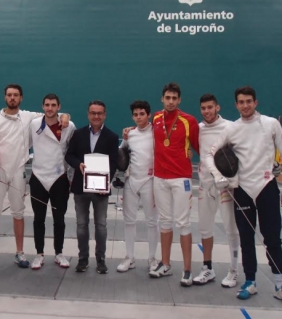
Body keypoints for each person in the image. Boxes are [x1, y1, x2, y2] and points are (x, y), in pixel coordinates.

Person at [206, 86, 282, 307]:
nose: (245, 105)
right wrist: (218, 175)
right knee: (246, 239)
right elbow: (210, 154)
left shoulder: (270, 124)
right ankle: (250, 281)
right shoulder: (233, 129)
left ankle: (280, 284)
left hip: (266, 187)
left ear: (255, 103)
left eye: (249, 101)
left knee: (272, 238)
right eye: (241, 102)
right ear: (236, 105)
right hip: (242, 191)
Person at [0, 84, 69, 269]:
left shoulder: (29, 117)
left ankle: (20, 253)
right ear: (5, 97)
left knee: (18, 212)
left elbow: (52, 115)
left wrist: (65, 116)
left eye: (15, 95)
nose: (12, 98)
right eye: (9, 95)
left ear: (21, 98)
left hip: (18, 170)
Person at [148, 82, 199, 286]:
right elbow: (145, 133)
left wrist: (191, 153)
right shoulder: (156, 118)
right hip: (160, 177)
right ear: (162, 99)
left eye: (174, 98)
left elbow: (199, 146)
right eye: (167, 98)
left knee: (183, 223)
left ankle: (187, 269)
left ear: (179, 100)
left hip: (181, 179)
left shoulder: (189, 121)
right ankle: (165, 264)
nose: (170, 101)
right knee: (165, 221)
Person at [65, 100, 119, 274]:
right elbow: (69, 155)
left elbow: (113, 163)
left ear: (104, 115)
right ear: (88, 114)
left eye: (99, 113)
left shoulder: (111, 137)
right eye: (93, 113)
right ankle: (83, 258)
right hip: (81, 188)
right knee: (81, 225)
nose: (96, 116)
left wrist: (107, 181)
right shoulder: (78, 134)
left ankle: (101, 259)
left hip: (101, 189)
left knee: (101, 225)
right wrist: (78, 164)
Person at [192, 94, 239, 287]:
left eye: (210, 107)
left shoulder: (230, 127)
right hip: (205, 185)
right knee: (205, 228)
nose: (207, 111)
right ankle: (207, 269)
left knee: (231, 229)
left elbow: (239, 155)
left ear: (217, 107)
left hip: (226, 187)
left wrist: (232, 180)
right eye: (203, 108)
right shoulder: (198, 129)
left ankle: (234, 271)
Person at [29, 94, 76, 270]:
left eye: (53, 105)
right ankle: (39, 253)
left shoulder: (68, 125)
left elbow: (73, 150)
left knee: (59, 219)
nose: (50, 108)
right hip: (38, 177)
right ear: (42, 107)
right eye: (47, 105)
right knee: (38, 218)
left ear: (59, 106)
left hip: (59, 178)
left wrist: (66, 116)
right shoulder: (34, 124)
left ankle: (59, 253)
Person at [116, 101, 159, 273]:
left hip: (150, 181)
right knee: (129, 221)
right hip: (131, 182)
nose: (139, 117)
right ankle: (129, 257)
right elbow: (121, 154)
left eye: (142, 114)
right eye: (135, 114)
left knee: (152, 221)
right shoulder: (129, 135)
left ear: (148, 115)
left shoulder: (156, 132)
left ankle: (152, 258)